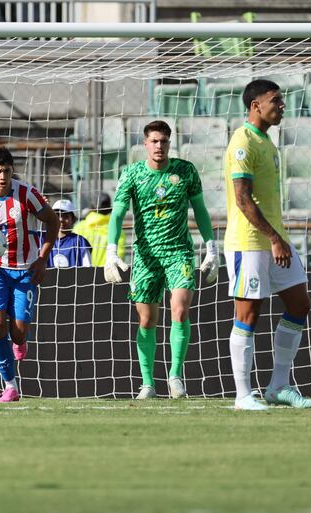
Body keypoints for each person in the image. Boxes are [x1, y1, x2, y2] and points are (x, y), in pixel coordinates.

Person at [104, 120, 219, 400]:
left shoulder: (185, 171)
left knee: (180, 309)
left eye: (164, 141)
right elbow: (118, 214)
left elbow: (201, 211)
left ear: (170, 143)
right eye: (154, 141)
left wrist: (212, 247)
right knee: (146, 320)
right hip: (145, 256)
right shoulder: (131, 174)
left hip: (179, 251)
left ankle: (176, 376)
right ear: (145, 144)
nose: (159, 146)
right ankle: (147, 383)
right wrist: (110, 250)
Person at [223, 80, 311, 410]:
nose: (282, 105)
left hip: (276, 239)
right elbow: (242, 199)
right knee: (248, 314)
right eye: (276, 100)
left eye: (283, 100)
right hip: (249, 243)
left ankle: (278, 385)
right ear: (255, 106)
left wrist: (278, 237)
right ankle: (243, 394)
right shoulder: (243, 141)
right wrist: (274, 238)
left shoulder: (267, 143)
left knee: (299, 303)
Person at [0, 147, 60, 402]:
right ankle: (9, 385)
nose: (3, 176)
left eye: (6, 171)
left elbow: (53, 222)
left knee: (17, 332)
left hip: (24, 270)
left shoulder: (27, 194)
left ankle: (20, 340)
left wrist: (42, 258)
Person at [73, 191, 126, 267]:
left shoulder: (79, 227)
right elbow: (119, 254)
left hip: (82, 273)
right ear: (109, 209)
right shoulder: (117, 230)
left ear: (91, 208)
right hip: (107, 272)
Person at [41, 199, 92, 268]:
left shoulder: (80, 241)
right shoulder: (44, 240)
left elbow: (88, 268)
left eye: (66, 216)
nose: (61, 219)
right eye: (57, 215)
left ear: (73, 220)